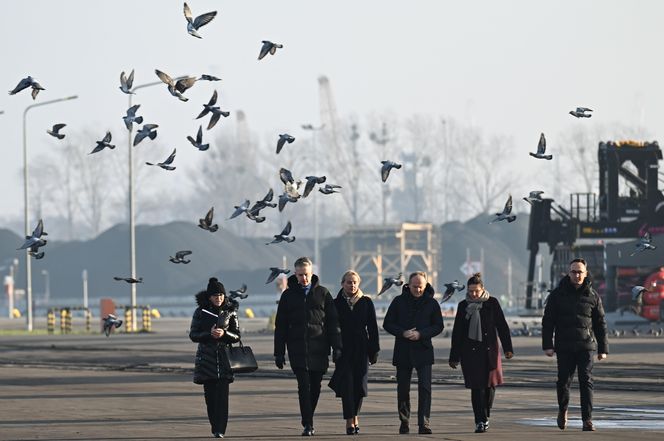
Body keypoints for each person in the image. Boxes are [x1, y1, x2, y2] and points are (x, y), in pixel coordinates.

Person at [274, 257, 342, 436]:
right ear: (295, 275)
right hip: (297, 349)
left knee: (316, 386)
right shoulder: (288, 296)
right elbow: (280, 326)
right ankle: (308, 424)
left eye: (306, 274)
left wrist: (337, 347)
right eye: (300, 275)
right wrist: (278, 353)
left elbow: (333, 322)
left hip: (319, 347)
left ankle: (308, 417)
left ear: (312, 274)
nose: (303, 278)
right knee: (303, 386)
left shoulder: (323, 293)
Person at [542, 258, 608, 432]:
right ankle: (563, 410)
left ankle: (587, 420)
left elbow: (600, 323)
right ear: (568, 273)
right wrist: (547, 345)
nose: (577, 275)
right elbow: (548, 322)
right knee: (563, 382)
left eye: (580, 272)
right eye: (574, 272)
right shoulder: (557, 295)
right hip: (564, 346)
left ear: (586, 274)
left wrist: (603, 349)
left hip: (586, 346)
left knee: (586, 381)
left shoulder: (593, 295)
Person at [448, 272, 513, 433]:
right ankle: (480, 420)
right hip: (470, 352)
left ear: (482, 288)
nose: (474, 294)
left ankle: (485, 415)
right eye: (470, 291)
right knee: (477, 388)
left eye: (476, 291)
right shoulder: (463, 305)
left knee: (490, 386)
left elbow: (502, 326)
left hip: (490, 351)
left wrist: (508, 348)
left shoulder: (492, 303)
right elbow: (457, 332)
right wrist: (454, 356)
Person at [383, 271, 444, 435]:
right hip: (403, 350)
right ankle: (404, 421)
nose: (418, 290)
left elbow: (438, 326)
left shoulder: (432, 303)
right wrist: (402, 332)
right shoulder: (398, 301)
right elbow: (387, 323)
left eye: (421, 287)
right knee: (403, 389)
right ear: (408, 285)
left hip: (423, 350)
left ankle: (424, 423)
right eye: (415, 286)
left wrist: (421, 334)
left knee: (425, 388)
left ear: (426, 286)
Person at [328, 270, 380, 435]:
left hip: (361, 349)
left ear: (359, 284)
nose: (352, 285)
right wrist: (334, 348)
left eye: (354, 282)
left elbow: (373, 328)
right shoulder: (335, 303)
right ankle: (349, 422)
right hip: (343, 350)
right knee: (347, 386)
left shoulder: (366, 302)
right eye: (348, 282)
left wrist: (374, 350)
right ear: (342, 284)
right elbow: (330, 327)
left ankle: (355, 416)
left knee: (359, 387)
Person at [189, 277, 241, 439]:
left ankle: (220, 430)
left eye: (221, 295)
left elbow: (237, 336)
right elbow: (193, 335)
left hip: (225, 359)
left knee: (223, 399)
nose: (219, 298)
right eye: (215, 295)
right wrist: (209, 334)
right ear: (209, 297)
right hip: (206, 360)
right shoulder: (200, 312)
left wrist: (224, 333)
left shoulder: (231, 311)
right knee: (210, 399)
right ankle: (214, 427)